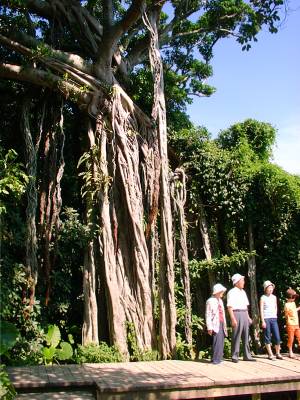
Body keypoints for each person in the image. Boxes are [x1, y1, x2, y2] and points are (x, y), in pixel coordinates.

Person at [227, 273, 256, 363]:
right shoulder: (231, 292)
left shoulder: (243, 292)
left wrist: (248, 317)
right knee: (236, 335)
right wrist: (232, 318)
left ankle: (247, 355)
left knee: (246, 335)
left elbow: (246, 306)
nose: (243, 282)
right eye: (242, 280)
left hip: (244, 313)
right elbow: (230, 306)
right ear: (237, 282)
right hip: (236, 313)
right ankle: (234, 356)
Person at [260, 280, 283, 360]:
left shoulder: (274, 297)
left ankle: (278, 353)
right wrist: (263, 321)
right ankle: (270, 354)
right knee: (267, 336)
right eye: (269, 288)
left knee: (277, 336)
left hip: (274, 318)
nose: (271, 289)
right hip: (266, 318)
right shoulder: (263, 298)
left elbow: (276, 307)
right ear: (265, 289)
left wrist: (275, 315)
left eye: (271, 287)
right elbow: (261, 310)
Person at [205, 283, 227, 364]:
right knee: (216, 340)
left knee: (221, 340)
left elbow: (222, 313)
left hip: (221, 322)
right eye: (221, 291)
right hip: (214, 323)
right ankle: (215, 359)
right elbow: (208, 314)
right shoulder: (210, 301)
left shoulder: (220, 300)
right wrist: (209, 327)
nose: (222, 293)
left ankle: (219, 357)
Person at [284, 288, 300, 359]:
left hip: (296, 324)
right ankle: (290, 351)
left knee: (299, 337)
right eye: (294, 297)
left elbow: (294, 311)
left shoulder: (293, 303)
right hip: (290, 324)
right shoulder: (286, 305)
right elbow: (287, 315)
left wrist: (299, 308)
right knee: (291, 338)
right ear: (290, 297)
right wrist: (287, 324)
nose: (294, 298)